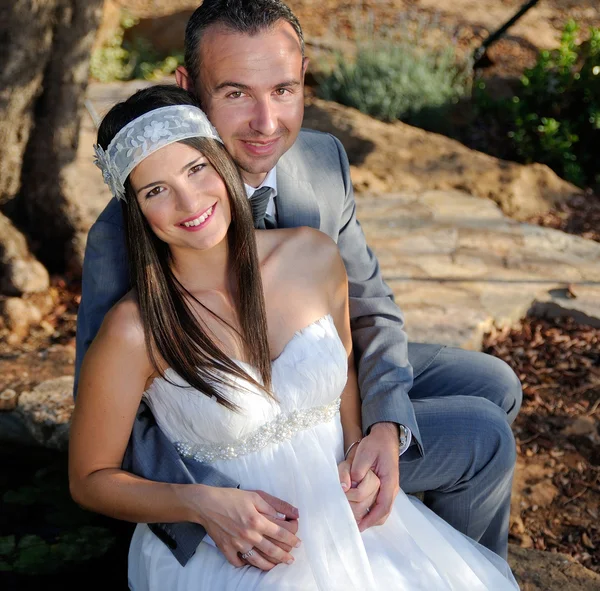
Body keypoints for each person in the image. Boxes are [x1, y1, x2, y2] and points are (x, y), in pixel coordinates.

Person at [75, 0, 522, 570]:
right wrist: (205, 502)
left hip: (320, 369)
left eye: (283, 89)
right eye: (236, 93)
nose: (267, 122)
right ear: (189, 88)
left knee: (494, 383)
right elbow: (117, 407)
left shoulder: (319, 160)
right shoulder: (125, 235)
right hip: (229, 428)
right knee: (480, 431)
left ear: (304, 76)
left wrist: (380, 429)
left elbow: (368, 310)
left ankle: (422, 531)